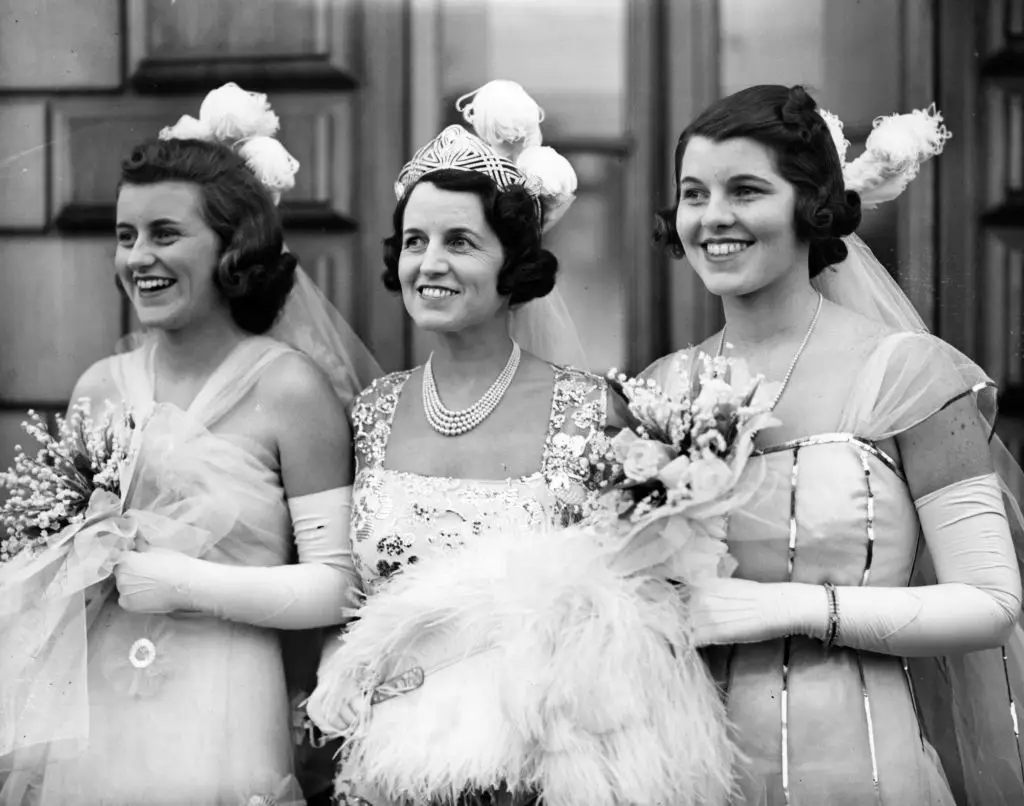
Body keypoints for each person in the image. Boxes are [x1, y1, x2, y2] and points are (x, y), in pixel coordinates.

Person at [0, 84, 380, 805]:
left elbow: (340, 585)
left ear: (234, 247)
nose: (139, 257)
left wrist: (184, 584)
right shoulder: (99, 389)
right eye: (125, 236)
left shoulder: (291, 391)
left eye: (165, 234)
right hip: (100, 722)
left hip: (224, 709)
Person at [644, 83, 1024, 805]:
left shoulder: (909, 372)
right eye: (694, 194)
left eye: (746, 190)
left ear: (810, 204)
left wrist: (792, 608)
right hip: (690, 774)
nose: (713, 217)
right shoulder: (663, 388)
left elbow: (991, 600)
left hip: (866, 775)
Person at [305, 81, 627, 806]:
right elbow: (355, 601)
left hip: (538, 764)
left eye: (460, 242)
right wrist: (336, 671)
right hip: (384, 765)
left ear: (513, 264)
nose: (430, 264)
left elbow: (614, 617)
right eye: (415, 242)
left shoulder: (588, 411)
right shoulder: (373, 411)